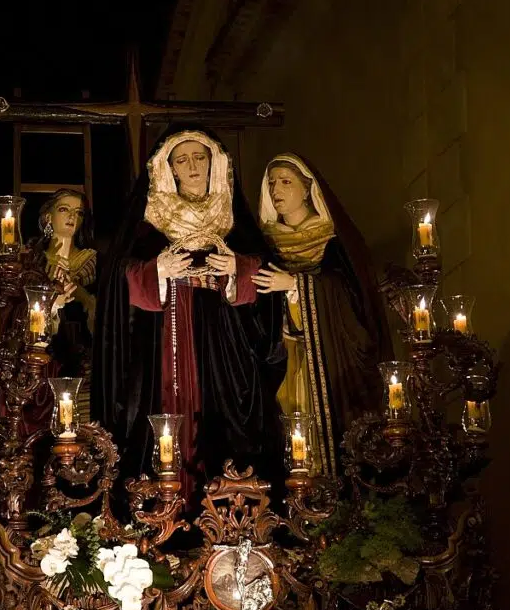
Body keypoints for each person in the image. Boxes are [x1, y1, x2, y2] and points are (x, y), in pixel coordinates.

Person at [93, 126, 286, 499]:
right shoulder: (149, 222)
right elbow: (116, 280)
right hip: (163, 340)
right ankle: (168, 507)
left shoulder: (233, 218)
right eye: (182, 159)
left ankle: (231, 507)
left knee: (230, 420)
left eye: (201, 157)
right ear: (170, 169)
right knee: (164, 418)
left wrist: (238, 269)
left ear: (215, 163)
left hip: (225, 342)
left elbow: (267, 279)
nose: (193, 165)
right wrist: (158, 272)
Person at [252, 153, 391, 476]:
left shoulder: (335, 242)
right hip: (284, 361)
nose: (277, 189)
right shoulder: (264, 247)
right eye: (272, 183)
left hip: (332, 361)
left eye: (286, 181)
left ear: (308, 188)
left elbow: (355, 299)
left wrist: (297, 285)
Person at [32, 189, 97, 424]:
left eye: (78, 213)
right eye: (64, 210)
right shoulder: (34, 261)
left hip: (83, 356)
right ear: (48, 217)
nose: (72, 217)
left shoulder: (91, 261)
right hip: (43, 358)